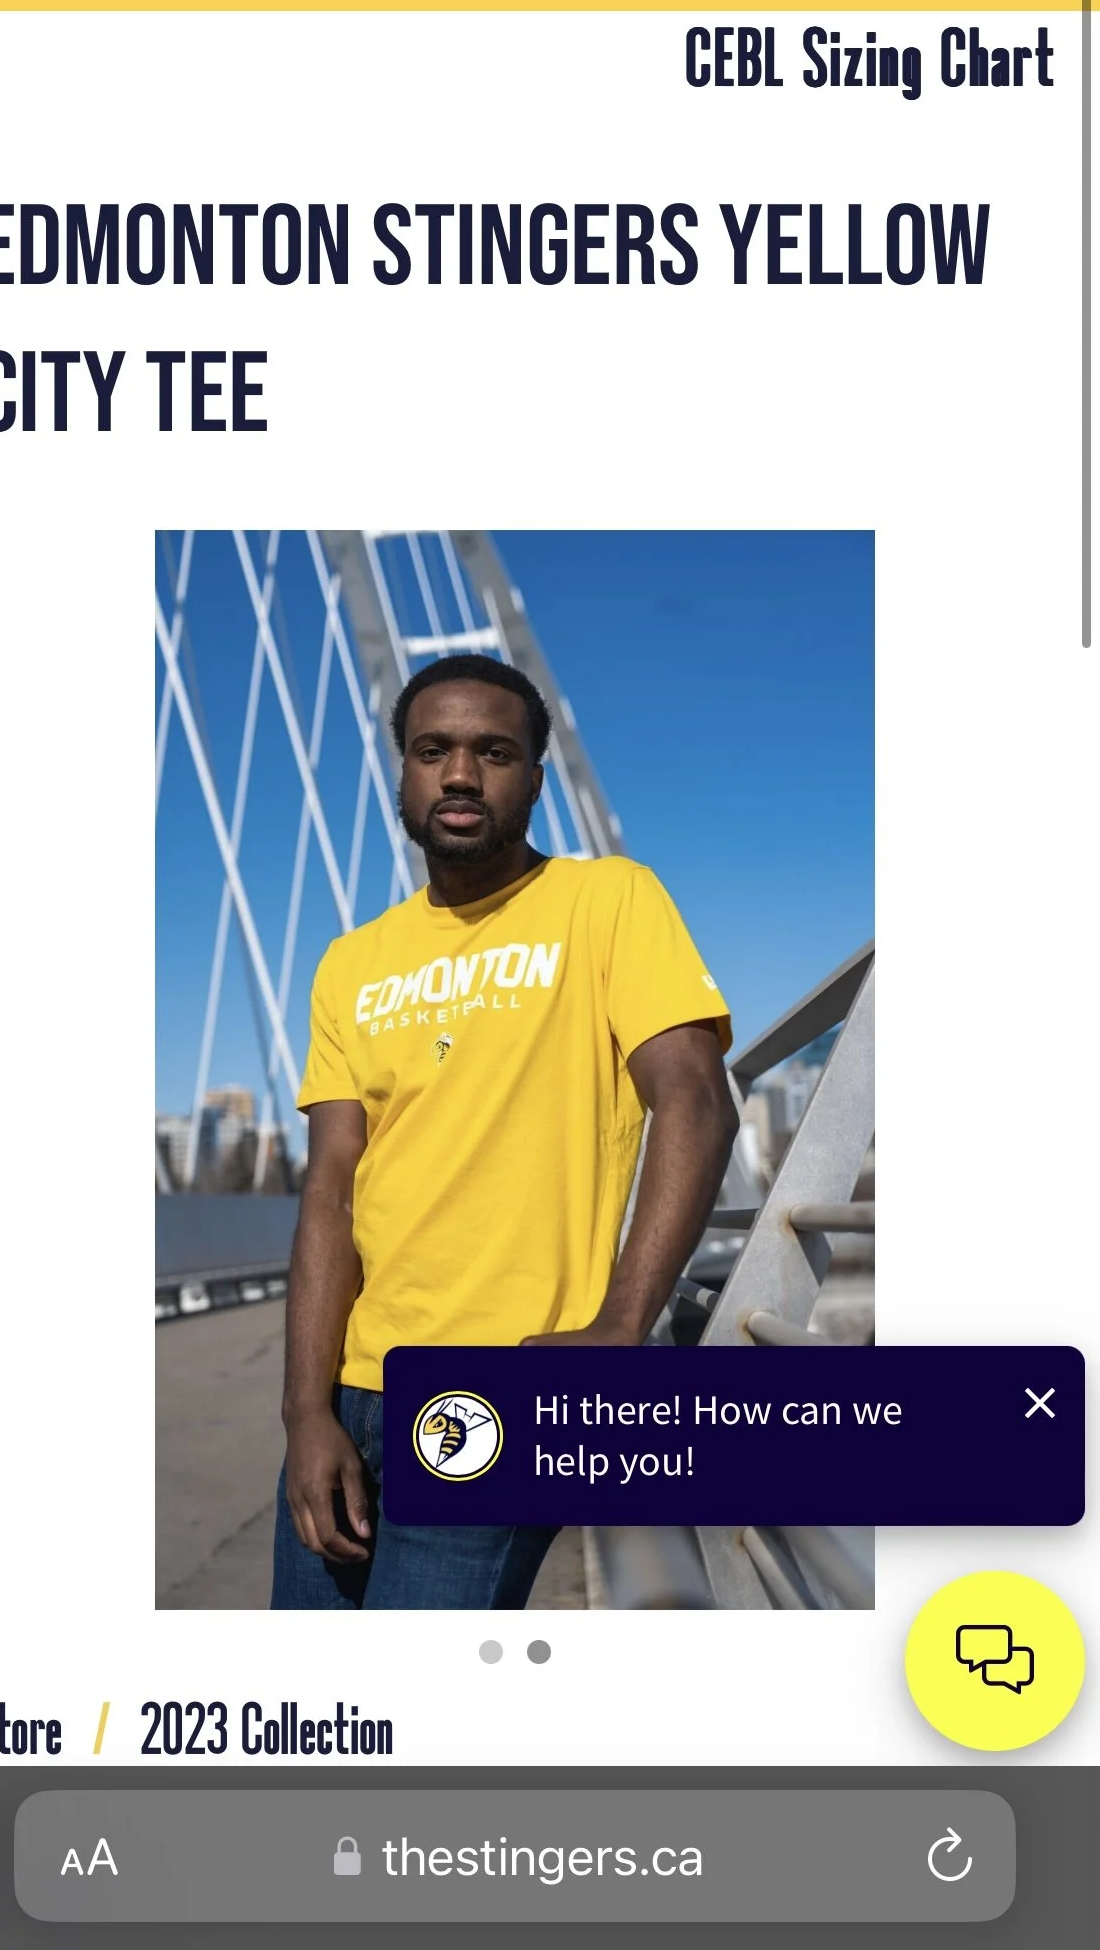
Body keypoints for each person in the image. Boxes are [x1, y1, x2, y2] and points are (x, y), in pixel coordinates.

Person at [272, 654, 739, 1611]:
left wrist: (621, 1324)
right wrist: (303, 1412)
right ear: (402, 770)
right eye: (432, 749)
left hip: (504, 1387)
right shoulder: (348, 963)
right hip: (352, 1391)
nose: (458, 773)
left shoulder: (606, 901)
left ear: (534, 775)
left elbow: (695, 1100)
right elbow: (331, 1190)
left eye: (493, 751)